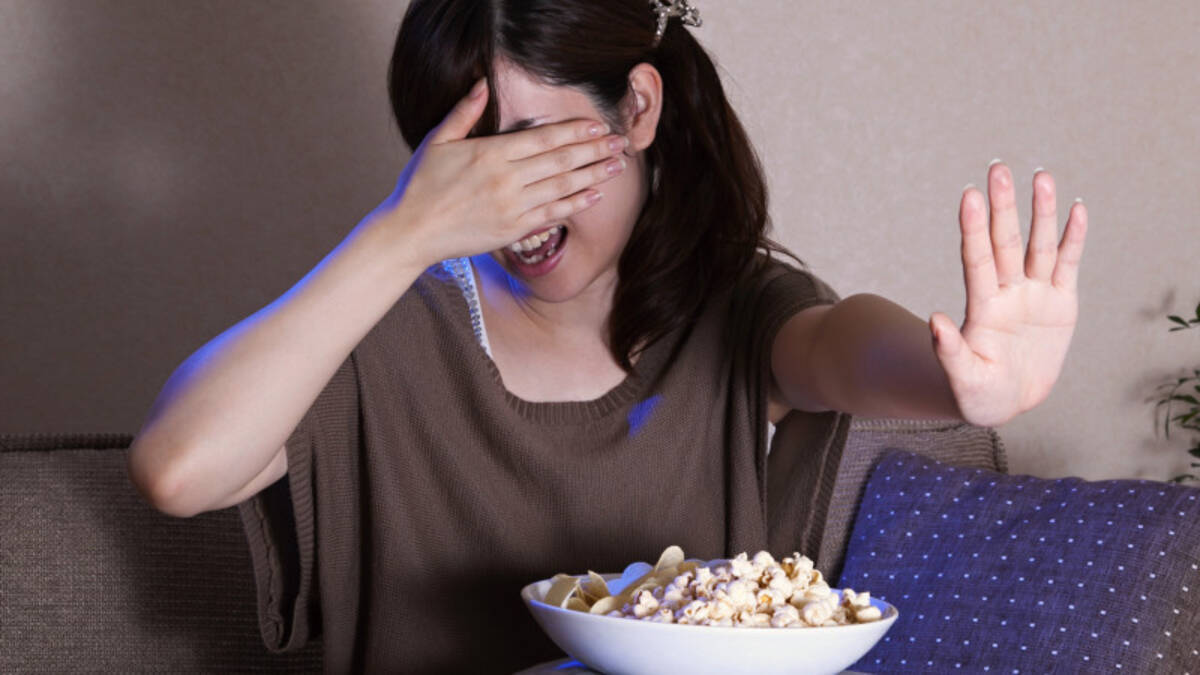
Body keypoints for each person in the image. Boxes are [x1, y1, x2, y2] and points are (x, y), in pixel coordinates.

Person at [127, 0, 1089, 671]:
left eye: (536, 151)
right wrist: (400, 233)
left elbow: (837, 344)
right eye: (465, 168)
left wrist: (958, 380)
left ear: (636, 109)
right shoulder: (384, 326)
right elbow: (178, 470)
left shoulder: (730, 311)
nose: (512, 208)